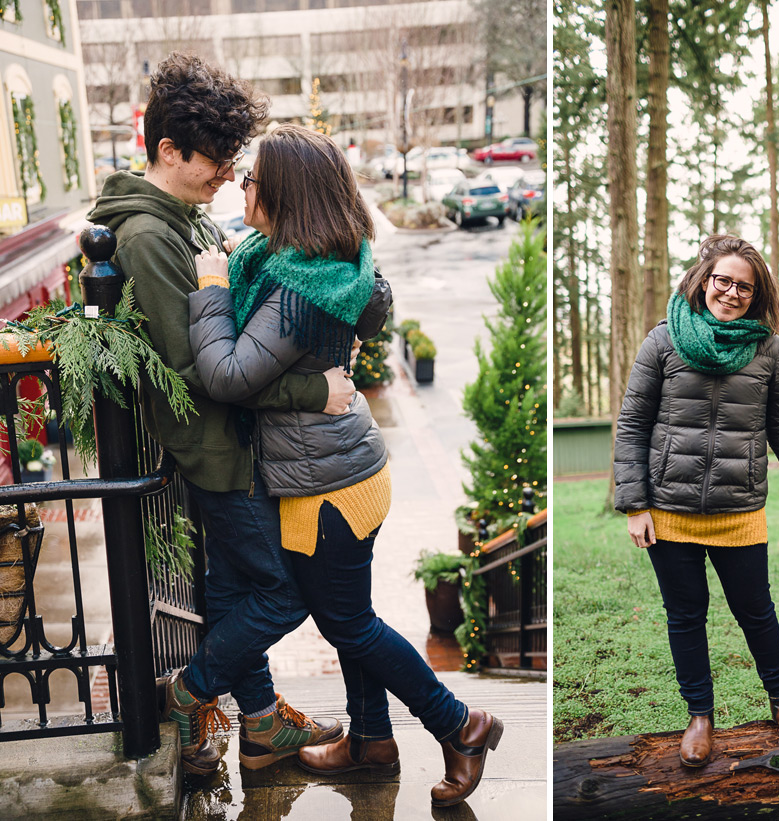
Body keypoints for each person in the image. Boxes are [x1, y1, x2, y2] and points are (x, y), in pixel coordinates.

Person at [189, 123, 502, 808]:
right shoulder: (324, 261)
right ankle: (371, 742)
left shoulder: (299, 290)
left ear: (284, 192)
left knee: (349, 622)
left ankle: (462, 724)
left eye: (252, 178)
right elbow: (378, 298)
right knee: (348, 614)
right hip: (335, 469)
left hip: (329, 484)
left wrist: (210, 289)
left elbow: (225, 372)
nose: (242, 186)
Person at [87, 54, 353, 776]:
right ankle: (191, 689)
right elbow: (200, 371)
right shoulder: (148, 237)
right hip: (215, 448)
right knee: (283, 593)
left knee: (233, 590)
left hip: (234, 442)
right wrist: (311, 391)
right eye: (217, 160)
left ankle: (262, 726)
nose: (229, 176)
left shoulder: (185, 221)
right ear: (168, 151)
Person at [613, 235, 779, 768]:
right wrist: (635, 504)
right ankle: (700, 716)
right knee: (686, 615)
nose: (732, 293)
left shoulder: (769, 350)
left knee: (756, 612)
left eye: (745, 286)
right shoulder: (662, 341)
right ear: (702, 280)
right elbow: (631, 428)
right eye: (724, 281)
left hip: (739, 512)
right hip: (668, 511)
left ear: (756, 294)